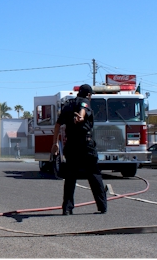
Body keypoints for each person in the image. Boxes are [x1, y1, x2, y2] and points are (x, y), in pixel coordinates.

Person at [54, 84, 107, 215]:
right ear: (88, 95)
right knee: (94, 174)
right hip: (85, 144)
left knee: (70, 177)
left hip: (71, 144)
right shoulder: (85, 102)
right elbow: (83, 109)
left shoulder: (68, 105)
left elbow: (58, 124)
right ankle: (102, 206)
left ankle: (67, 208)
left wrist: (55, 143)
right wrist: (81, 117)